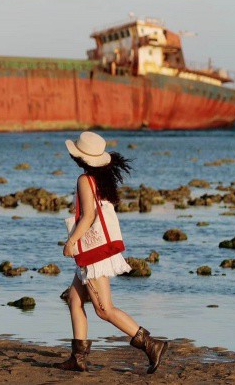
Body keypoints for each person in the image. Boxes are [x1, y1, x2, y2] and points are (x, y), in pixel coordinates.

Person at [55, 131, 168, 374]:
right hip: (95, 251)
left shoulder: (85, 180)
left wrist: (71, 241)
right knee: (75, 299)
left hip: (92, 253)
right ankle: (78, 358)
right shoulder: (101, 180)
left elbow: (89, 217)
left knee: (104, 309)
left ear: (80, 158)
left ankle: (151, 344)